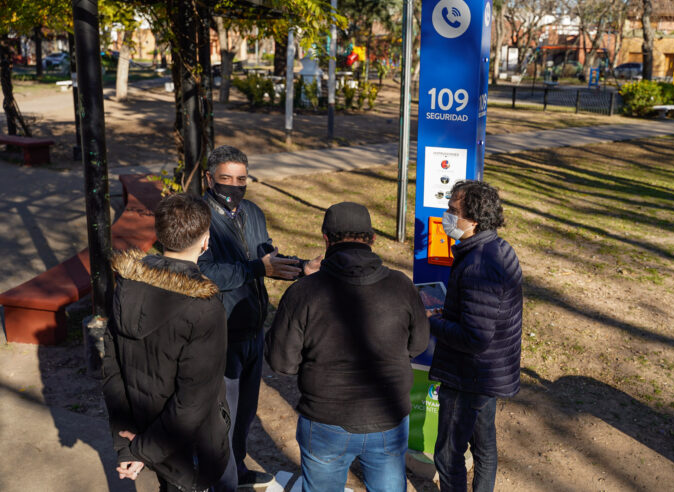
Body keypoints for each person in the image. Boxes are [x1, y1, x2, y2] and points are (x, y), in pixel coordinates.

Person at [265, 202, 430, 492]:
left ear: (326, 239)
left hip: (325, 420)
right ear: (372, 239)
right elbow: (417, 345)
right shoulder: (401, 286)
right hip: (388, 417)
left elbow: (282, 363)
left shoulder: (303, 293)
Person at [197, 145, 321, 491]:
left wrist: (301, 268)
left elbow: (267, 255)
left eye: (241, 179)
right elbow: (203, 273)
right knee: (222, 418)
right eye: (226, 179)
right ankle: (218, 482)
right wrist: (256, 267)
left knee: (245, 415)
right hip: (219, 334)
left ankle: (236, 468)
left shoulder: (252, 212)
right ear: (209, 179)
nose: (235, 187)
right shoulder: (199, 216)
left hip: (254, 330)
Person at [102, 193, 230, 491]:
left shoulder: (125, 285)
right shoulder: (205, 307)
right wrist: (139, 450)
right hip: (188, 448)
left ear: (159, 236)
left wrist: (127, 444)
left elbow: (111, 370)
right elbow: (194, 400)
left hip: (144, 432)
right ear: (206, 241)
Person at [427, 180, 523, 492]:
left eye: (453, 211)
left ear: (474, 220)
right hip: (491, 372)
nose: (446, 216)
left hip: (470, 376)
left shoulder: (478, 264)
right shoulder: (498, 248)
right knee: (484, 446)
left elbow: (475, 336)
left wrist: (433, 321)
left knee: (448, 454)